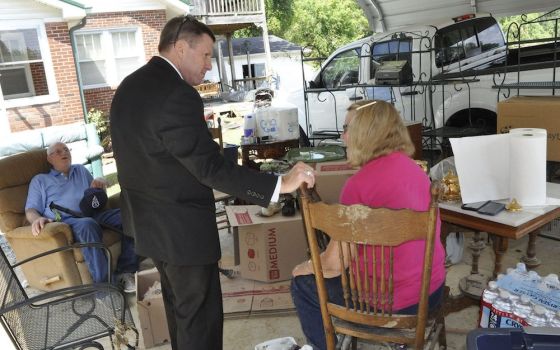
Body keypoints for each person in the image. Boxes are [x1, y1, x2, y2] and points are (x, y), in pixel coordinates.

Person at [109, 15, 315, 350]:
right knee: (199, 323)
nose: (209, 66)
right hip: (181, 229)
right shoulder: (177, 94)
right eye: (205, 55)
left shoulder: (130, 86)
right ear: (179, 47)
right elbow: (209, 169)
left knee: (181, 312)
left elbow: (171, 154)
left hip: (148, 225)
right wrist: (279, 184)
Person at [290, 100, 446, 350]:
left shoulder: (359, 185)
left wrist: (304, 266)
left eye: (347, 129)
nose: (342, 136)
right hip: (431, 292)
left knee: (303, 283)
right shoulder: (415, 169)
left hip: (392, 305)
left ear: (366, 132)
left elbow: (333, 265)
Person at [25, 142, 138, 292]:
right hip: (68, 222)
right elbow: (31, 209)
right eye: (58, 152)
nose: (64, 152)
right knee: (87, 224)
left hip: (95, 214)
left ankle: (125, 271)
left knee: (132, 216)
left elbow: (95, 198)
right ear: (50, 159)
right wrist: (36, 219)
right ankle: (104, 288)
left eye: (66, 149)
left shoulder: (81, 170)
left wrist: (100, 186)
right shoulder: (40, 180)